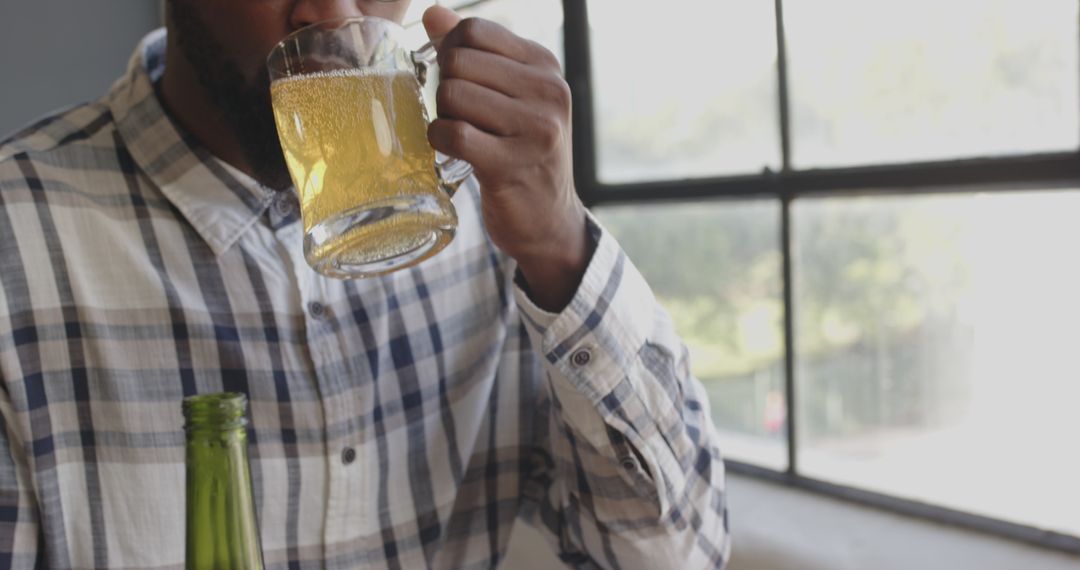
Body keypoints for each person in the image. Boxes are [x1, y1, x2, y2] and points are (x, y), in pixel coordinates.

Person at [0, 1, 730, 568]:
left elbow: (678, 552)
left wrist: (563, 246)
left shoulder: (498, 220)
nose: (335, 16)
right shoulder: (17, 243)